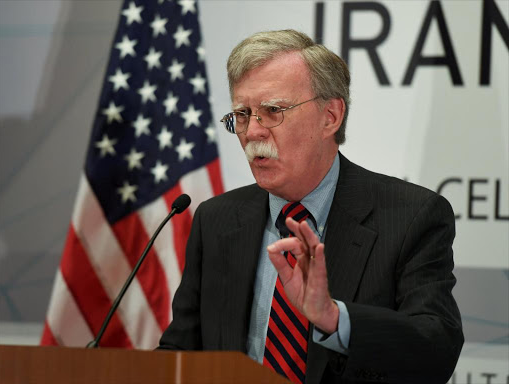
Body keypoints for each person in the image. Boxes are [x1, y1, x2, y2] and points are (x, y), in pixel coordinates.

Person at [158, 29, 463, 383]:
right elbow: (180, 354)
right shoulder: (217, 219)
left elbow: (436, 351)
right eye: (242, 114)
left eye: (272, 111)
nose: (253, 132)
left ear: (330, 117)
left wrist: (335, 319)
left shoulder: (411, 216)